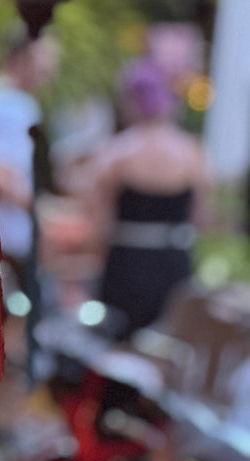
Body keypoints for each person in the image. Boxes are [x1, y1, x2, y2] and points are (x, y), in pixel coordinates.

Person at [83, 57, 211, 338]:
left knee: (118, 351)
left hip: (126, 268)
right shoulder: (193, 153)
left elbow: (98, 227)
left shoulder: (115, 154)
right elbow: (201, 218)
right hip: (174, 267)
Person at [0, 33, 59, 282]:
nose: (49, 69)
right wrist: (42, 212)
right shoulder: (12, 106)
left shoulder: (13, 103)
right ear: (22, 60)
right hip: (10, 237)